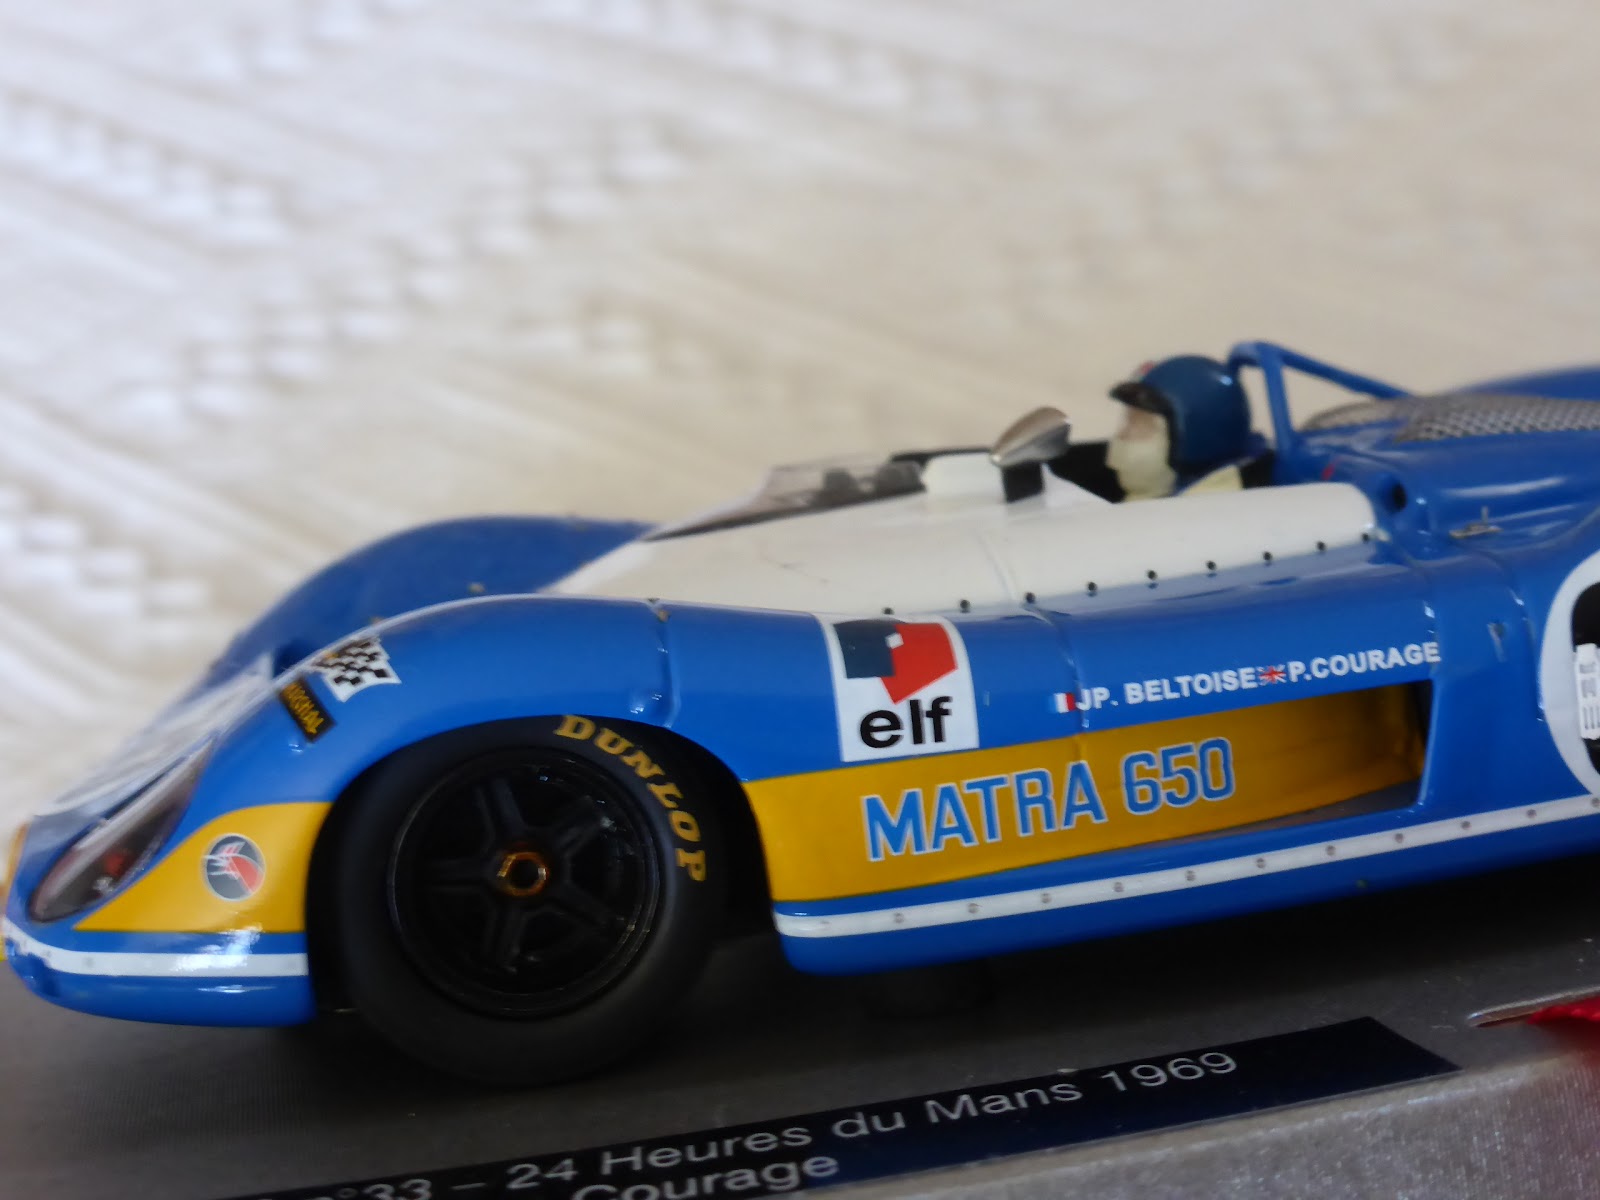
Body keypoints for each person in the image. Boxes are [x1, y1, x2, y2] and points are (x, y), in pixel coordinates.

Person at [1106, 355, 1269, 501]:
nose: (1113, 458)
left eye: (1144, 426)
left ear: (1198, 437)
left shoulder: (1207, 513)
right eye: (1129, 421)